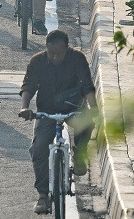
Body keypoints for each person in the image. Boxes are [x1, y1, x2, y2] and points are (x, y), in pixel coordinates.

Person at [19, 29, 96, 214]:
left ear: (67, 49)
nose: (54, 58)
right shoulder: (37, 61)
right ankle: (43, 195)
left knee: (87, 123)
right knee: (38, 149)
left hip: (73, 107)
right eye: (51, 53)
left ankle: (79, 154)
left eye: (59, 54)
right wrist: (25, 107)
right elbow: (29, 86)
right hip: (47, 111)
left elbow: (87, 85)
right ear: (46, 47)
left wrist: (94, 108)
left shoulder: (77, 59)